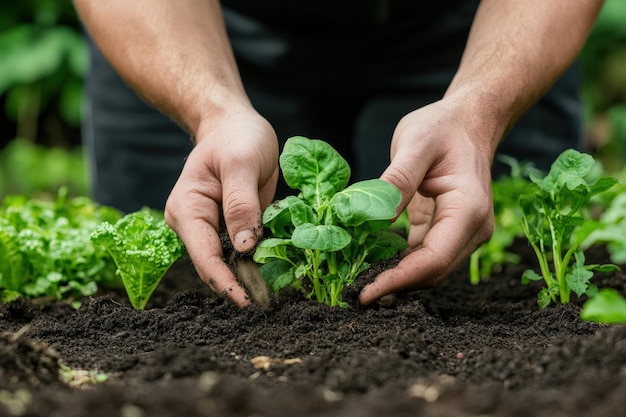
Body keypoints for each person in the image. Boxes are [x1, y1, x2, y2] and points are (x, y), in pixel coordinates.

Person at [74, 0, 604, 307]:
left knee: (468, 257)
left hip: (476, 27)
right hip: (190, 26)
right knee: (172, 275)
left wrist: (478, 111)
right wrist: (211, 110)